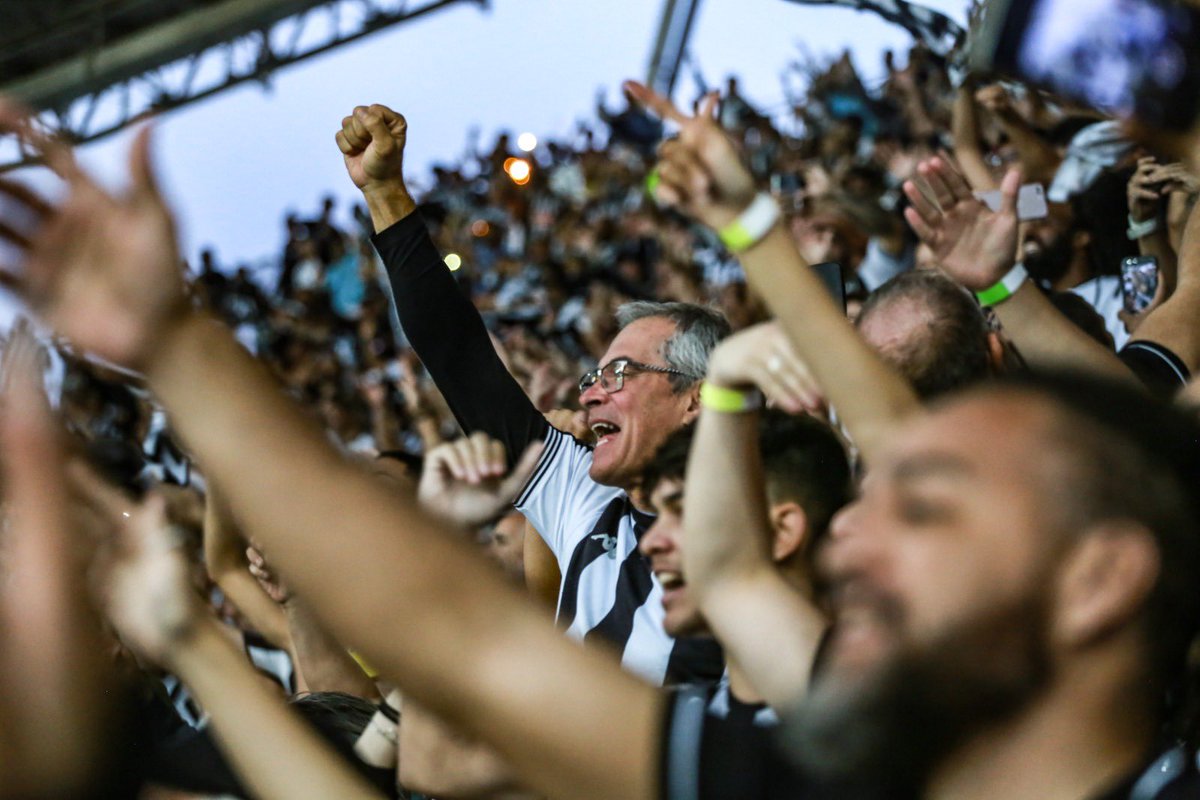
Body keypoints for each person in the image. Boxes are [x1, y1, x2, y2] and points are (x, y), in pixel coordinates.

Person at [337, 103, 729, 684]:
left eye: (619, 374)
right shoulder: (585, 502)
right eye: (592, 379)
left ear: (696, 398)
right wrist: (386, 191)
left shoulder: (757, 517)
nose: (592, 396)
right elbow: (457, 353)